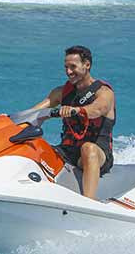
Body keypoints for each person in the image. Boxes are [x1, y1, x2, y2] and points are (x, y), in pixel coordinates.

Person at [30, 45, 115, 200]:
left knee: (88, 148)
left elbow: (98, 109)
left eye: (73, 67)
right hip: (68, 151)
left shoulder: (104, 92)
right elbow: (34, 112)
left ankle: (88, 203)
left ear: (87, 65)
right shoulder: (61, 92)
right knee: (35, 147)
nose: (68, 72)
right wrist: (11, 120)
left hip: (98, 153)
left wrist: (76, 110)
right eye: (66, 67)